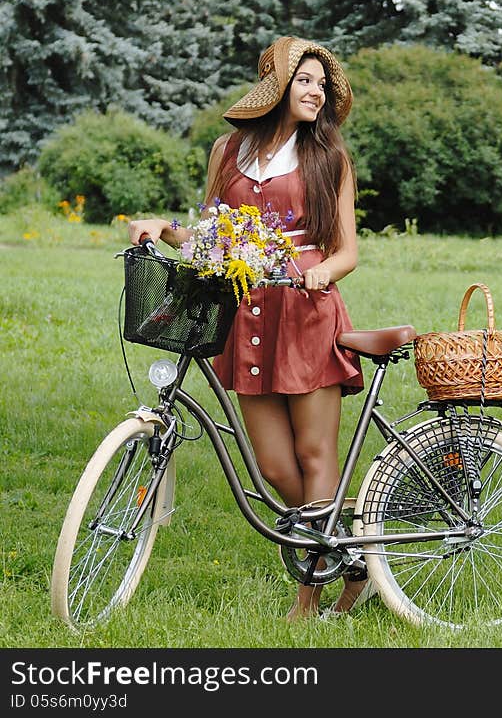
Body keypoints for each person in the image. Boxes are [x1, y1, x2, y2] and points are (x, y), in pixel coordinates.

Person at [128, 36, 372, 620]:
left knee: (315, 454)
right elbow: (212, 240)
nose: (316, 92)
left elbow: (347, 252)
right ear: (277, 86)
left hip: (307, 313)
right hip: (248, 314)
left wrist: (320, 273)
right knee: (272, 466)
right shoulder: (226, 151)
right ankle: (348, 546)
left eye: (322, 84)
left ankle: (309, 594)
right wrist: (163, 227)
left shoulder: (329, 159)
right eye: (306, 81)